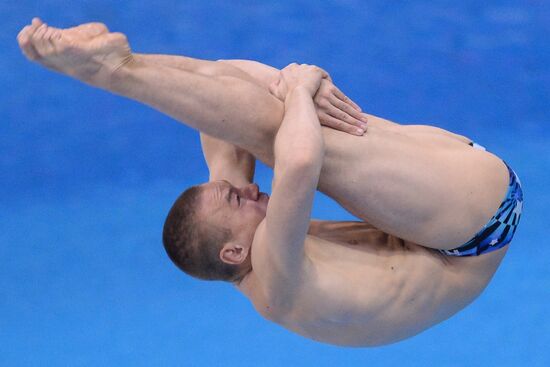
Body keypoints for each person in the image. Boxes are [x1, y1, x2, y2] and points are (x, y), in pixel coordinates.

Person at [17, 18, 523, 346]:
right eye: (238, 199)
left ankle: (124, 62)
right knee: (274, 126)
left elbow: (220, 115)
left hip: (443, 215)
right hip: (471, 226)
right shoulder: (278, 278)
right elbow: (299, 163)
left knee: (246, 94)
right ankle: (114, 71)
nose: (250, 190)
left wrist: (283, 90)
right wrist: (302, 84)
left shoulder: (236, 242)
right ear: (235, 252)